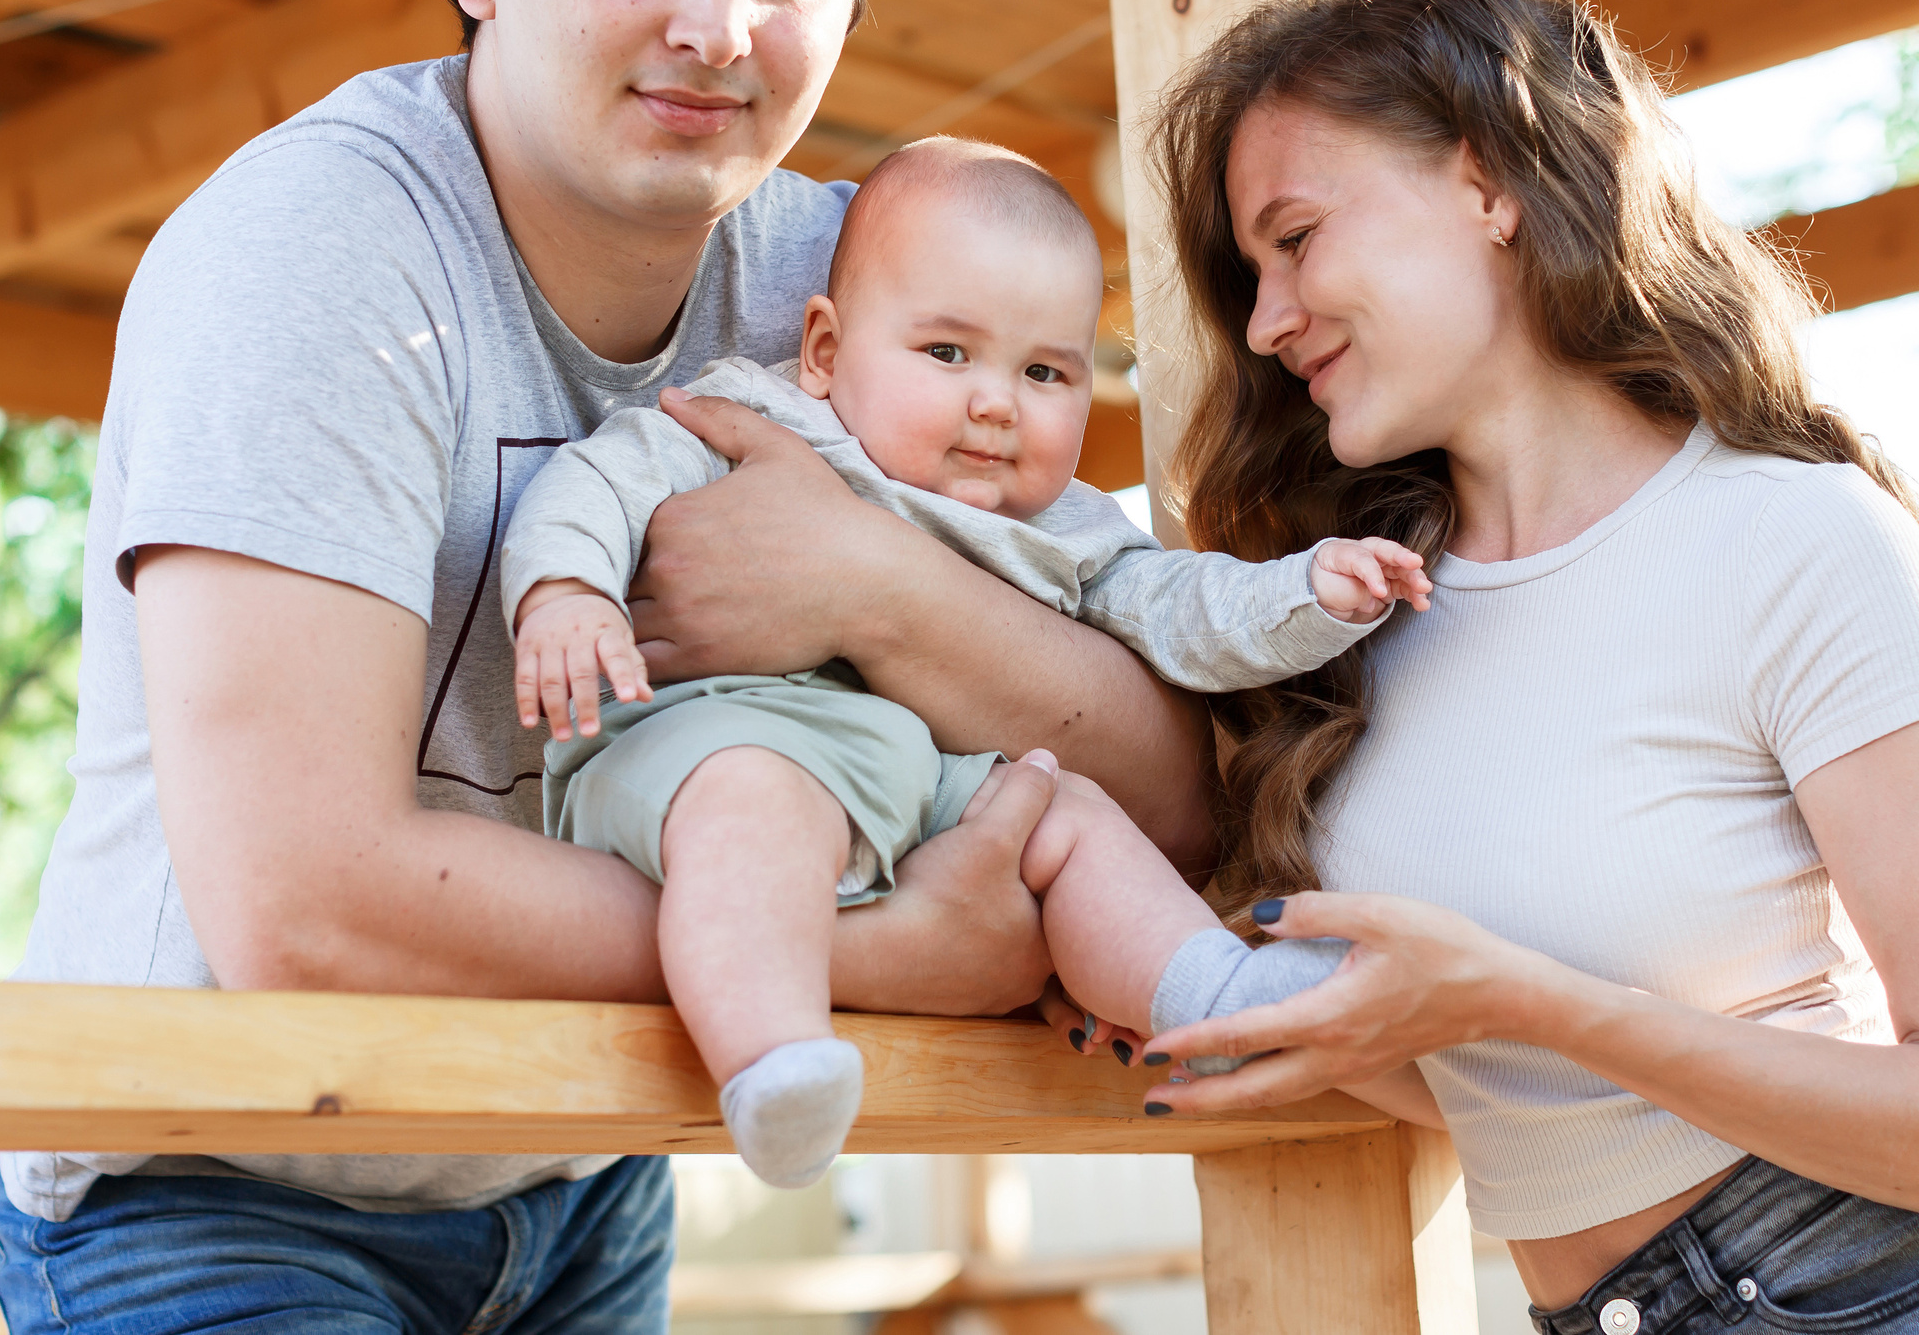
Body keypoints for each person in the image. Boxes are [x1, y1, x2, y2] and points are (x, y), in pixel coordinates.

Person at [0, 0, 1215, 1335]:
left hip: (572, 1171)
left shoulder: (857, 296)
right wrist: (885, 957)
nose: (718, 23)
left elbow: (1171, 785)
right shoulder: (319, 255)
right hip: (214, 1177)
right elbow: (310, 900)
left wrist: (871, 587)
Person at [1116, 0, 1919, 1335]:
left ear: (1488, 185)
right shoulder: (1350, 618)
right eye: (1251, 275)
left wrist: (1531, 1001)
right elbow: (1495, 1087)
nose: (1271, 319)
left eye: (1294, 239)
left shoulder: (1794, 540)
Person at [499, 135, 1429, 1187]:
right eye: (947, 355)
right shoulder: (759, 418)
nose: (997, 402)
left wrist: (1304, 593)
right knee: (759, 803)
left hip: (925, 789)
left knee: (1064, 816)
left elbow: (1182, 610)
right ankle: (773, 1060)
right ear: (822, 349)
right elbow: (600, 481)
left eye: (1043, 372)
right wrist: (567, 591)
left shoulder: (1074, 529)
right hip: (719, 738)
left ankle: (1214, 1000)